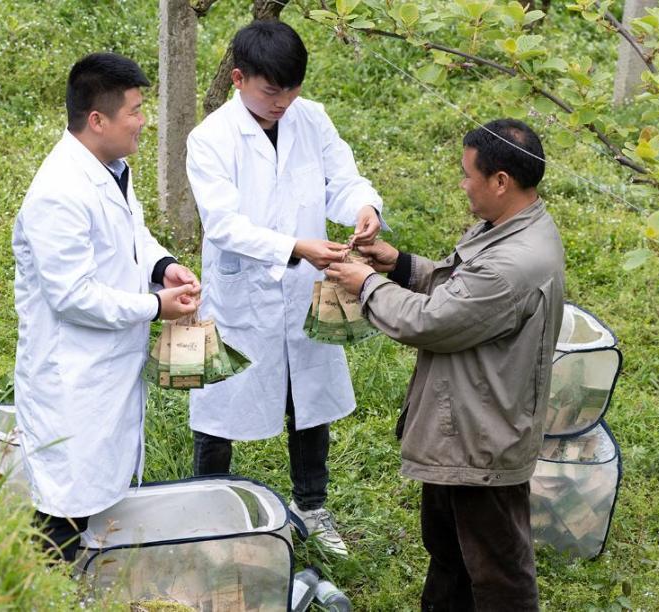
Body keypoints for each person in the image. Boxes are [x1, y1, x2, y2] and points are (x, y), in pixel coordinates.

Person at [325, 119, 564, 610]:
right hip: (461, 428)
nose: (462, 184)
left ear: (500, 181)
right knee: (451, 552)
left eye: (467, 174)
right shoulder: (508, 229)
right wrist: (401, 264)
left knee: (499, 572)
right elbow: (462, 288)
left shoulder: (514, 261)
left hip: (481, 441)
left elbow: (433, 321)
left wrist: (365, 284)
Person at [185, 20, 384, 556]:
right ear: (238, 78)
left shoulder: (310, 118)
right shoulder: (210, 139)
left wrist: (363, 208)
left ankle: (311, 506)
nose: (284, 102)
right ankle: (210, 507)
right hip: (239, 292)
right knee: (218, 401)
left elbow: (342, 178)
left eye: (293, 89)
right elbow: (223, 224)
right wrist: (296, 247)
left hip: (305, 289)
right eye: (272, 91)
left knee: (309, 396)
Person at [12, 52, 200, 562]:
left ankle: (80, 582)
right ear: (97, 120)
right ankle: (45, 588)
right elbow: (72, 297)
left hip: (107, 366)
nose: (144, 121)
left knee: (97, 491)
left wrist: (162, 266)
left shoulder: (112, 167)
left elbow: (129, 231)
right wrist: (155, 306)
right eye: (135, 111)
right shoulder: (59, 193)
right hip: (72, 375)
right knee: (63, 505)